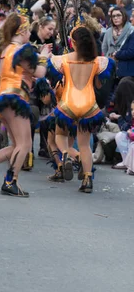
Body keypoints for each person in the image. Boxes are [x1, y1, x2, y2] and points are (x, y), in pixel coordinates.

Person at [0, 13, 50, 197]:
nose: (30, 33)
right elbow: (39, 73)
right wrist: (44, 57)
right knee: (25, 143)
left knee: (16, 145)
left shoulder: (6, 49)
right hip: (16, 98)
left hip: (2, 98)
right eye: (28, 29)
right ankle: (10, 181)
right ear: (21, 30)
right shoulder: (22, 49)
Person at [48, 26, 114, 192]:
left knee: (60, 136)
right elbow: (98, 84)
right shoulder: (97, 61)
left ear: (74, 43)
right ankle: (87, 179)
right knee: (84, 145)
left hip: (68, 104)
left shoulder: (63, 59)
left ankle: (65, 155)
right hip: (88, 106)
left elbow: (54, 74)